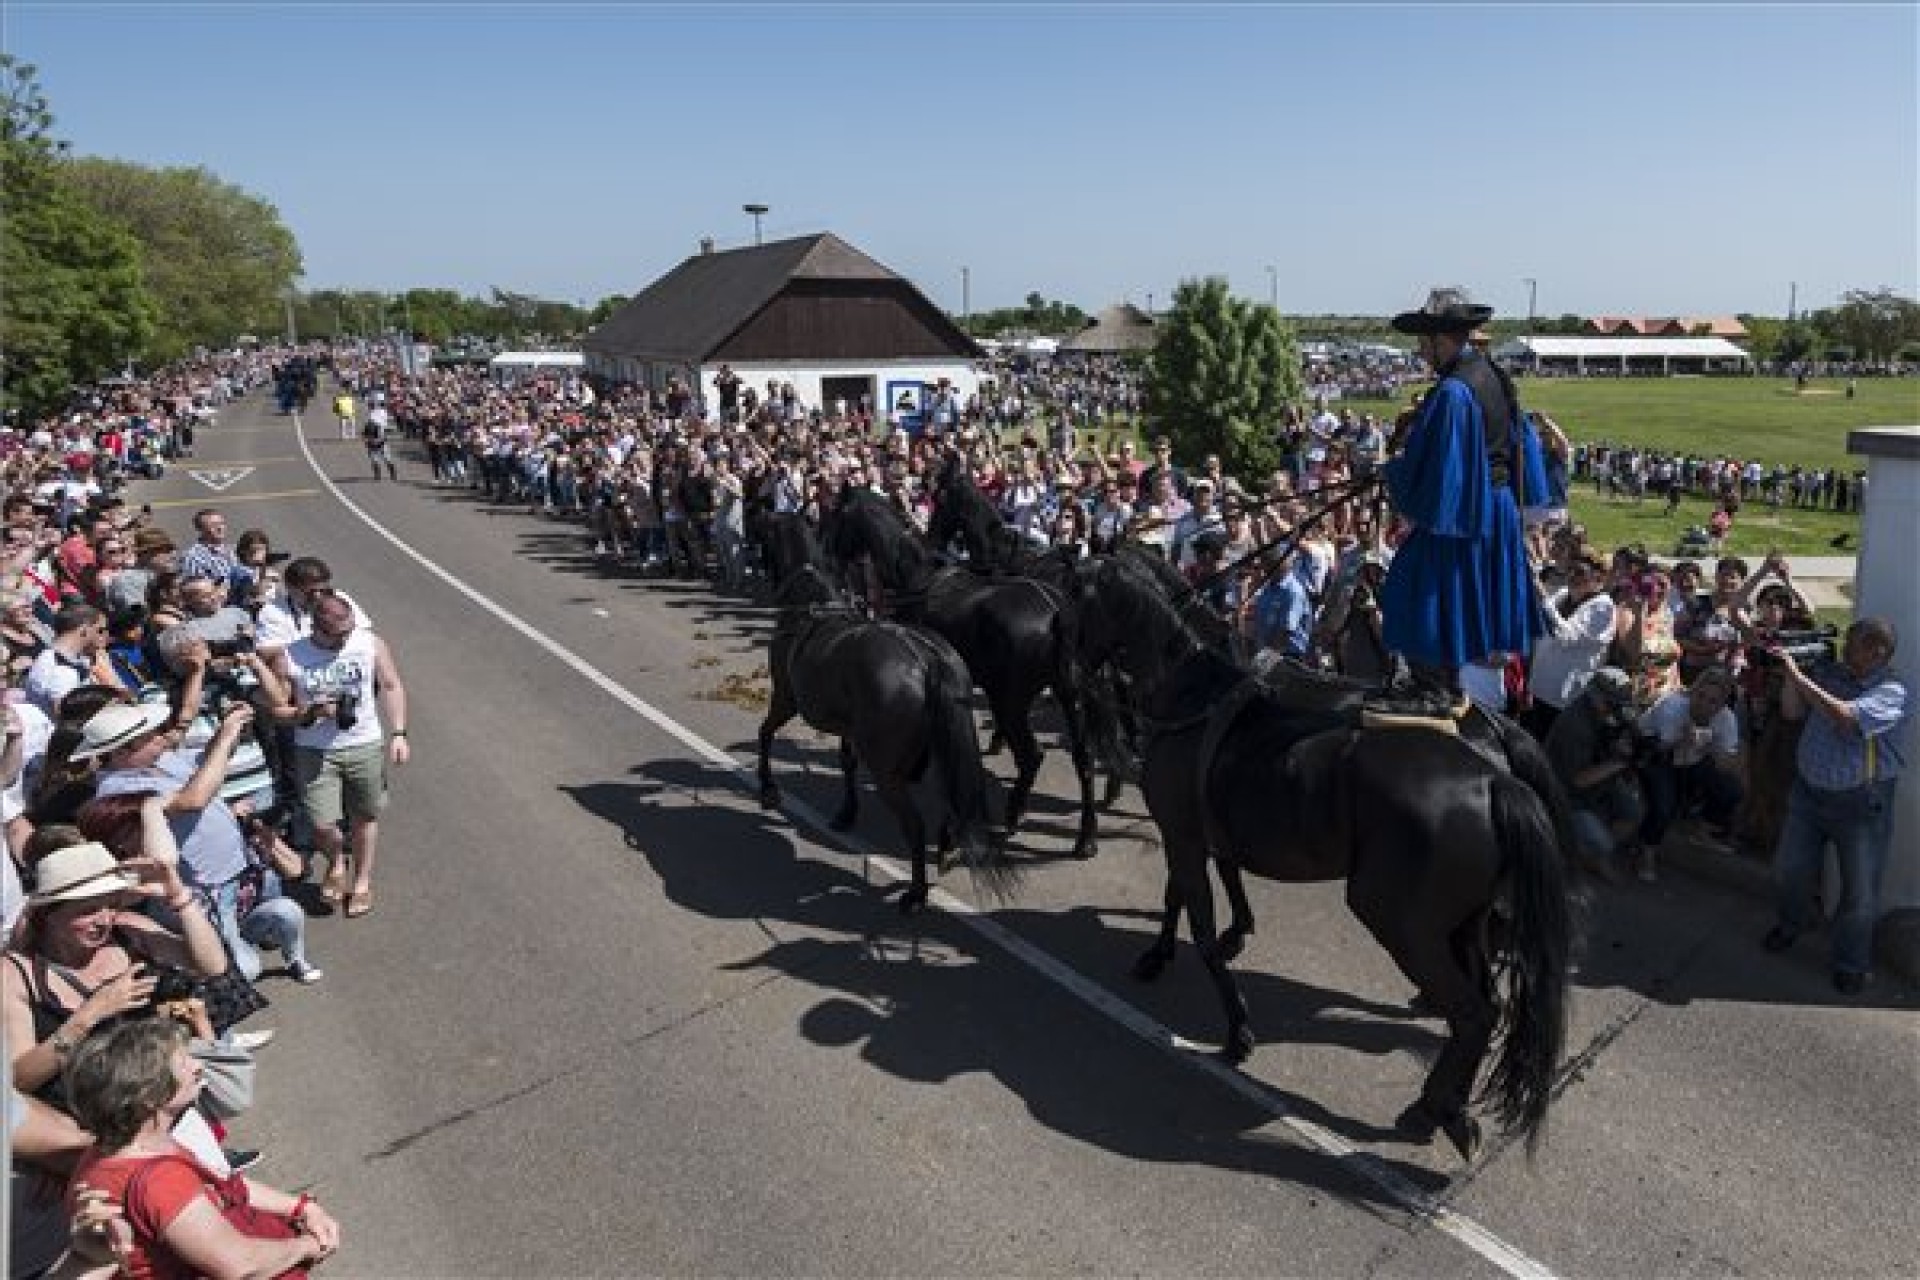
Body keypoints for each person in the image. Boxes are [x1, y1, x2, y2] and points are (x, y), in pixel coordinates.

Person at [62, 1018, 342, 1278]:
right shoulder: (160, 1181)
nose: (198, 1066)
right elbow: (240, 1266)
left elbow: (225, 1184)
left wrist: (300, 1207)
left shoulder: (112, 1152)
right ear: (149, 1097)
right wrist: (306, 1245)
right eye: (184, 1063)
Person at [1373, 288, 1539, 713]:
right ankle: (1443, 682)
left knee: (1412, 586)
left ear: (1439, 338)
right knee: (1450, 597)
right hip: (1492, 507)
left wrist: (1390, 472)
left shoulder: (1452, 393)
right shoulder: (1493, 375)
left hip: (1465, 510)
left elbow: (1441, 469)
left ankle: (1432, 689)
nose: (1419, 349)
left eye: (1423, 340)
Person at [3, 837, 228, 1110]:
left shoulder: (129, 931)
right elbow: (19, 1079)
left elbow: (213, 966)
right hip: (90, 1122)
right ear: (46, 916)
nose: (104, 920)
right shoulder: (17, 975)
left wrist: (179, 897)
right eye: (87, 911)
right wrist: (90, 1014)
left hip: (163, 1101)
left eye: (110, 904)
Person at [1761, 618, 1910, 994]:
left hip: (1860, 804)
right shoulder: (1832, 675)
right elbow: (1793, 713)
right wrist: (1791, 674)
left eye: (1854, 645)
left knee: (1859, 892)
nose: (1844, 652)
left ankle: (1851, 962)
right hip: (1808, 793)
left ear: (1878, 651)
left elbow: (1846, 718)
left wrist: (1800, 675)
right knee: (1789, 870)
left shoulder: (1893, 692)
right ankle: (1793, 923)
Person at [272, 593, 410, 918]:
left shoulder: (369, 643)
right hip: (315, 750)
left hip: (364, 743)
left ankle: (361, 882)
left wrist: (399, 733)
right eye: (338, 633)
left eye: (348, 630)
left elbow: (390, 685)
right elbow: (276, 709)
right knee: (322, 824)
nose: (345, 638)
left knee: (365, 816)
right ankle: (336, 861)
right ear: (317, 627)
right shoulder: (291, 656)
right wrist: (305, 715)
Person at [1633, 665, 1745, 877]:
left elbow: (1727, 763)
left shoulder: (1726, 719)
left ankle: (1702, 830)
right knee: (1664, 806)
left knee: (1730, 790)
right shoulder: (1673, 707)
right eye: (1700, 695)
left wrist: (1710, 742)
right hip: (1657, 753)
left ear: (1722, 705)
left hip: (1693, 757)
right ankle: (1647, 852)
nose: (1703, 704)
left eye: (1713, 701)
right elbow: (1660, 748)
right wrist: (1681, 739)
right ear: (1693, 691)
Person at [1544, 666, 1645, 881]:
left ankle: (1590, 855)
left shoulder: (1603, 712)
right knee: (1602, 842)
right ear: (1597, 698)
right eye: (1614, 704)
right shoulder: (1575, 726)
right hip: (1566, 794)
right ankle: (1576, 854)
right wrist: (1620, 761)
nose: (1618, 709)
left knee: (1634, 813)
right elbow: (1578, 780)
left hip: (1600, 780)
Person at [1524, 554, 1618, 742]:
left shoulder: (1603, 607)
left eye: (1580, 572)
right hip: (1539, 688)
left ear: (1598, 578)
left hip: (1564, 698)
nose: (1573, 576)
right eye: (1571, 570)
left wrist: (1541, 595)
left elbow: (1565, 637)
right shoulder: (1563, 595)